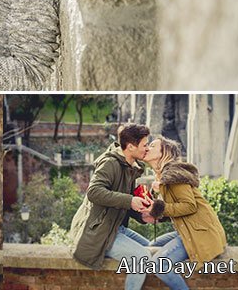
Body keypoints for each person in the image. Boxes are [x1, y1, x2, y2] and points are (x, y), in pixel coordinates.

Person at [69, 124, 190, 290]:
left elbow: (122, 204)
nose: (146, 148)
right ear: (131, 147)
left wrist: (143, 215)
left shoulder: (130, 167)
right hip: (100, 232)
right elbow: (94, 192)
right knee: (141, 258)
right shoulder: (110, 163)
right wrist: (130, 200)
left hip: (116, 228)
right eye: (144, 145)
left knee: (151, 248)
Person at [144, 135, 227, 274]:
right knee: (152, 245)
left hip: (199, 233)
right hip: (186, 229)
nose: (147, 148)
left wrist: (159, 208)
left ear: (165, 153)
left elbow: (189, 206)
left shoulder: (174, 174)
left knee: (158, 266)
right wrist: (154, 211)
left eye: (152, 146)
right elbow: (174, 208)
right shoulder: (163, 178)